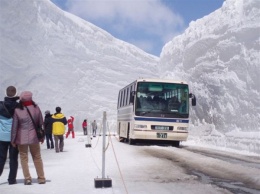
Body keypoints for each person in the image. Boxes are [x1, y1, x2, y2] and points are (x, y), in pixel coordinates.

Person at [11, 91, 46, 185]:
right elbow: (40, 123)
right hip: (34, 137)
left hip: (21, 138)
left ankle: (27, 178)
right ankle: (41, 178)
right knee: (37, 157)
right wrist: (42, 137)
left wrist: (13, 139)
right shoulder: (36, 108)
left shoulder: (17, 110)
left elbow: (14, 127)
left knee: (23, 158)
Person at [0, 86, 19, 185]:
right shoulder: (18, 106)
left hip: (2, 136)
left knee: (1, 158)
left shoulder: (0, 105)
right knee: (13, 158)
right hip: (14, 137)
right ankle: (12, 179)